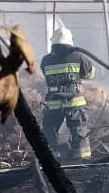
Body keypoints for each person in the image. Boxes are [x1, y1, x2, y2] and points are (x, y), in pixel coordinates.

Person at [40, 26, 96, 160]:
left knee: (49, 129)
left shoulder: (46, 60)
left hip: (53, 100)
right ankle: (81, 157)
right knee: (78, 128)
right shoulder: (78, 56)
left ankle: (48, 157)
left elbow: (46, 75)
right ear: (70, 41)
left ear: (53, 42)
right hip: (73, 100)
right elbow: (90, 74)